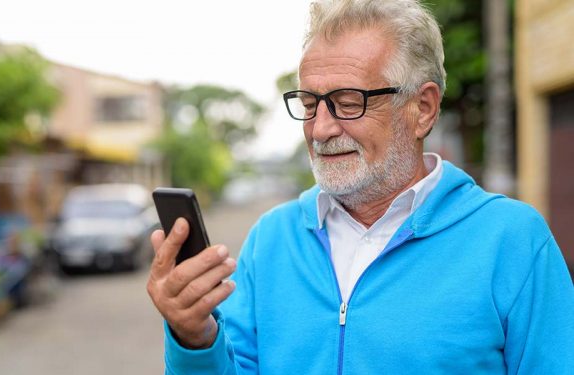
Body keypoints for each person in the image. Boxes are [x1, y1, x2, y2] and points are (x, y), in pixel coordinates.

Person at [146, 0, 574, 373]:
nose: (320, 129)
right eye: (310, 104)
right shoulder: (270, 239)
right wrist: (195, 338)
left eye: (349, 102)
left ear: (422, 108)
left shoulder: (513, 240)